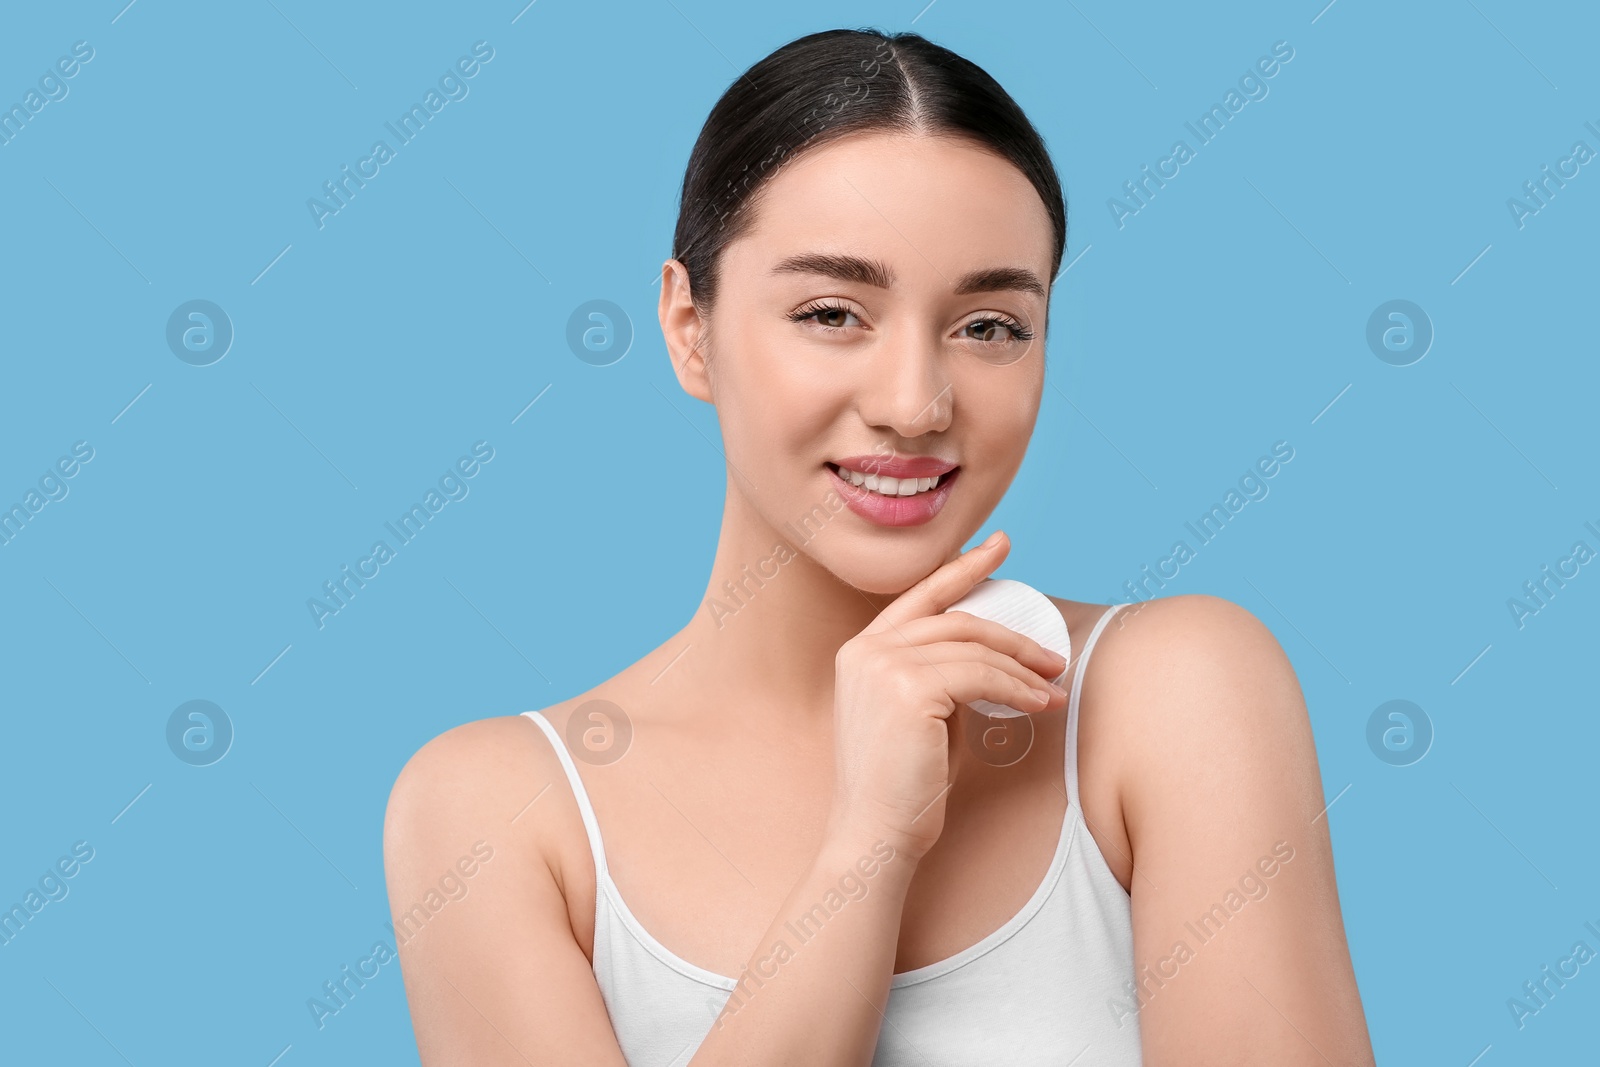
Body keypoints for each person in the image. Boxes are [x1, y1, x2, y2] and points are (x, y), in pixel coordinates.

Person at [383, 27, 1376, 1065]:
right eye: (831, 311)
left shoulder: (1172, 695)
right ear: (689, 327)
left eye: (989, 325)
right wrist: (865, 850)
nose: (914, 403)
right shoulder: (499, 812)